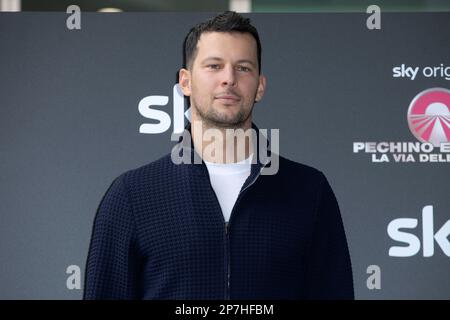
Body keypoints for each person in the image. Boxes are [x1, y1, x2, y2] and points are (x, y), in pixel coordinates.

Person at [84, 11, 354, 300]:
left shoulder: (309, 191)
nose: (229, 78)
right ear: (185, 82)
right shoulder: (132, 195)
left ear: (260, 86)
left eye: (243, 68)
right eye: (214, 66)